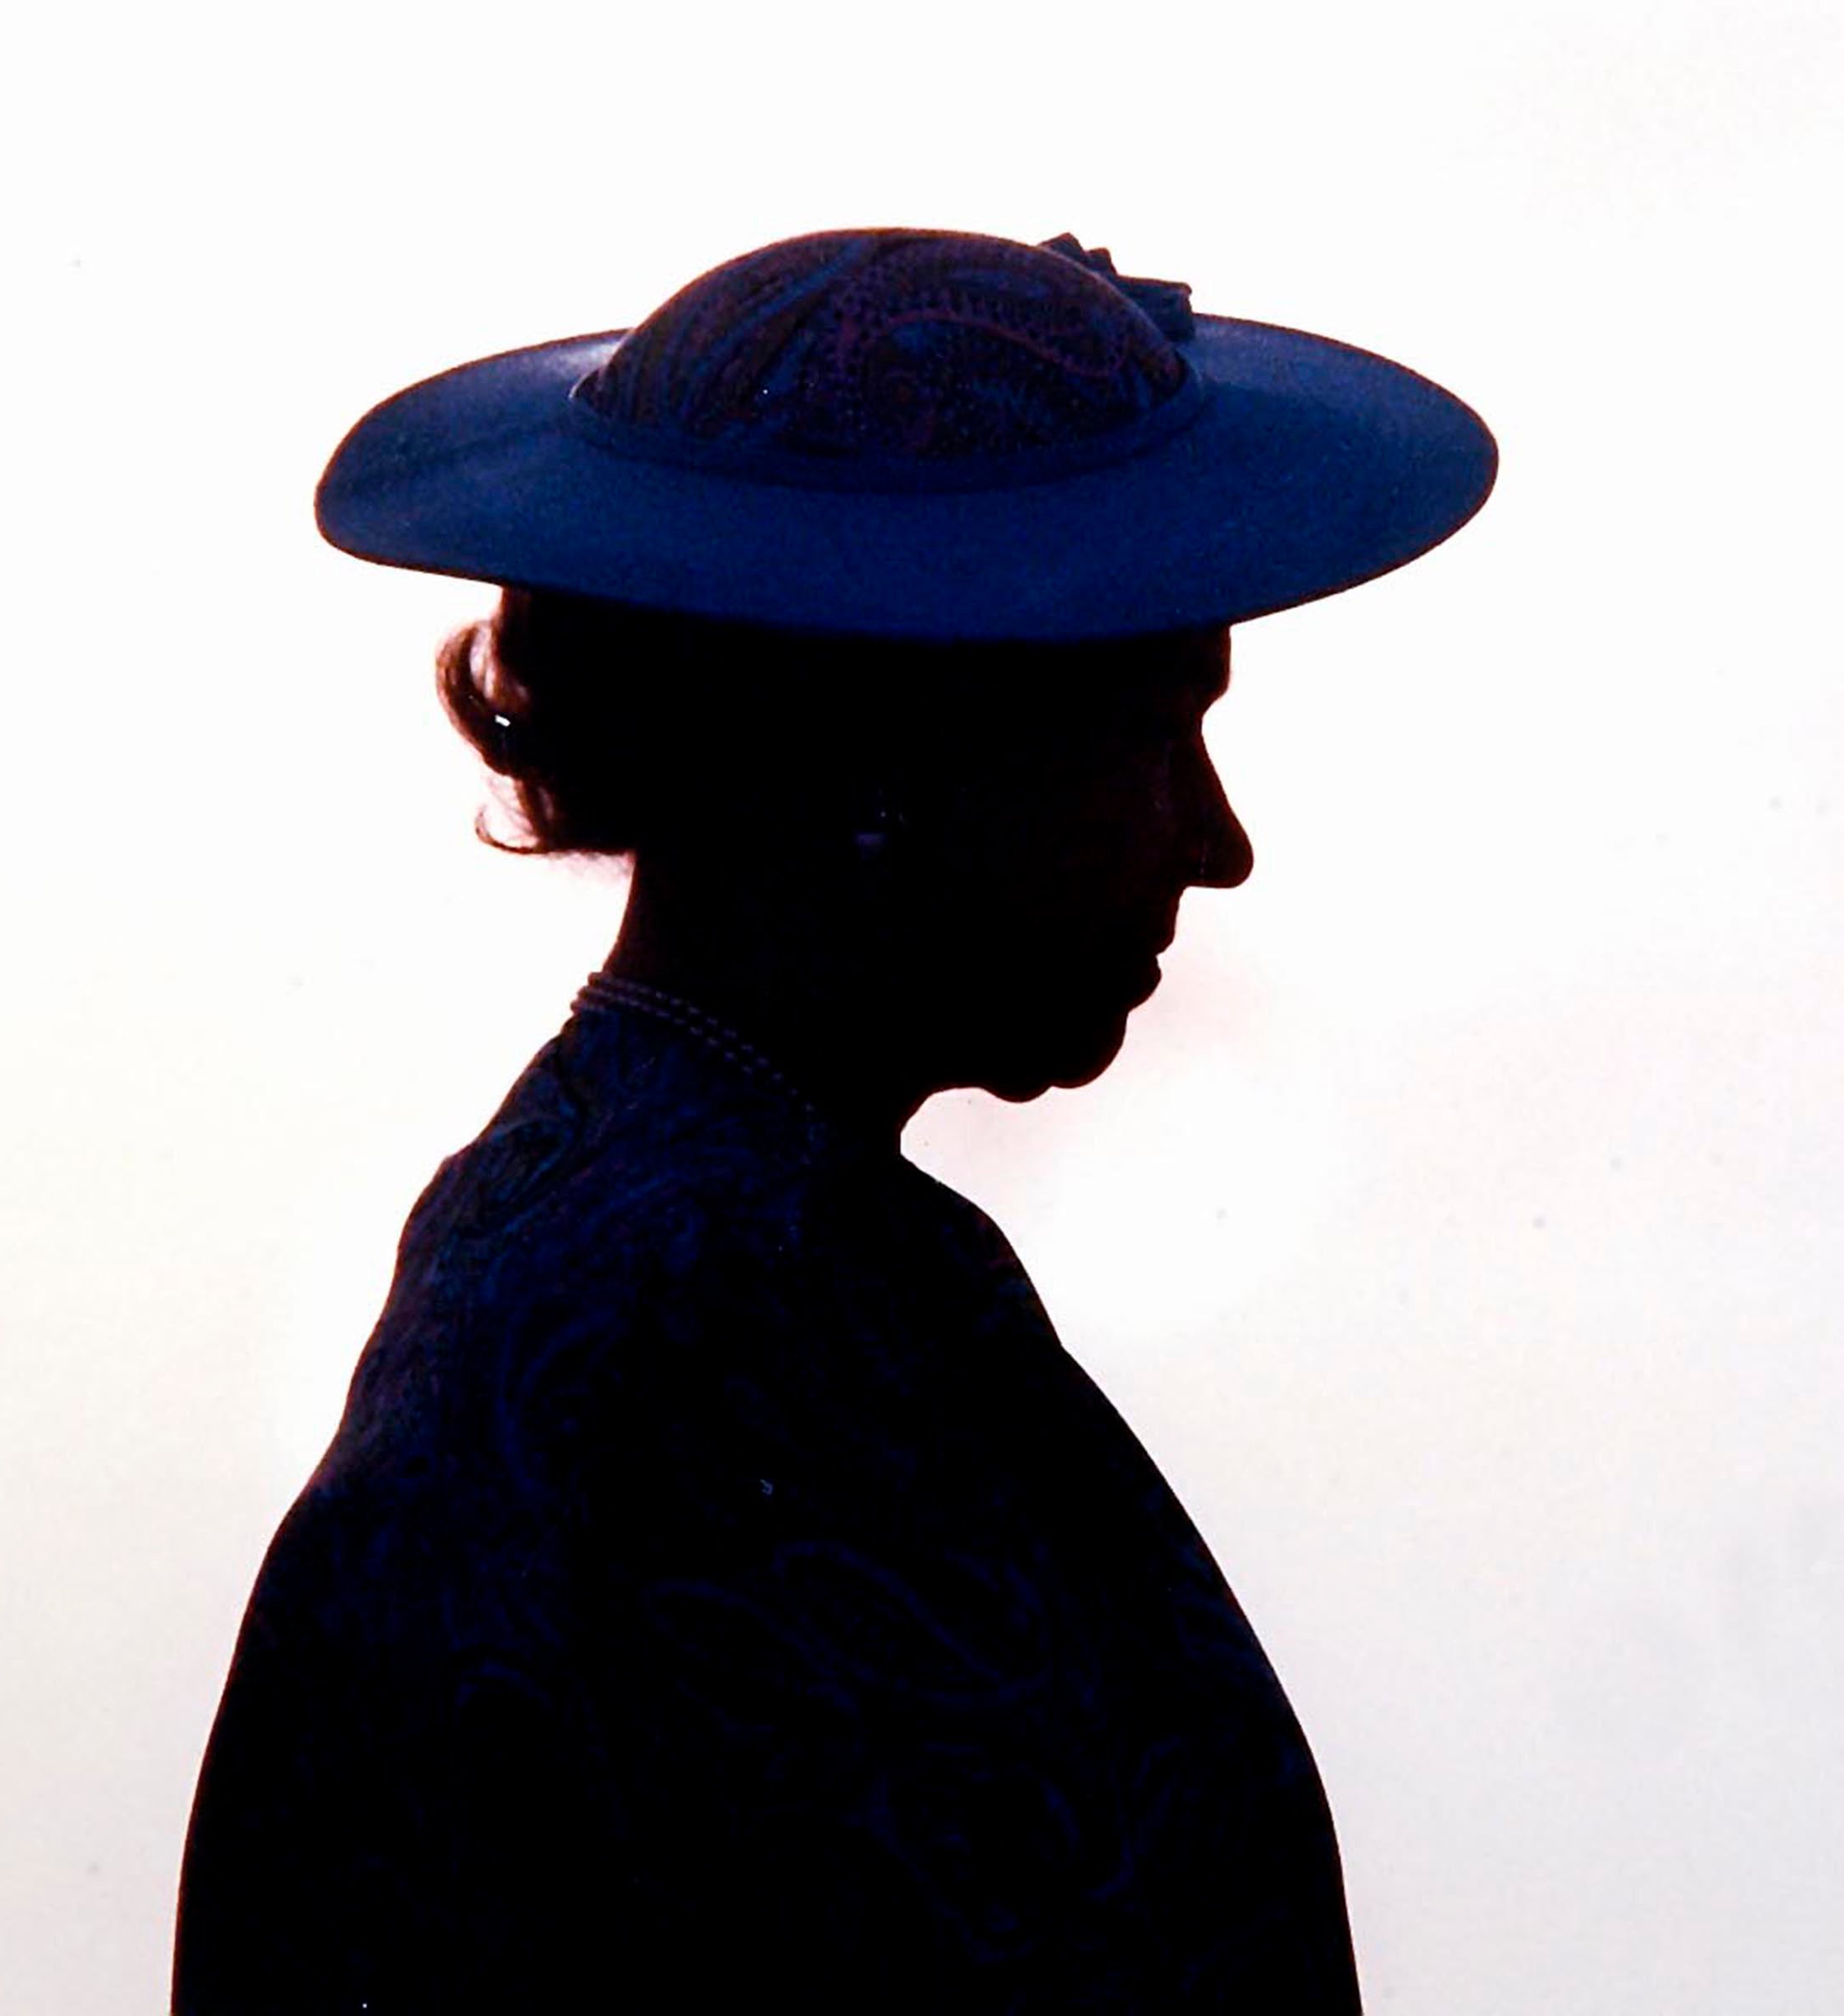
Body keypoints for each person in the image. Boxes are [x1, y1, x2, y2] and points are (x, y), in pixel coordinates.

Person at [174, 227, 1495, 2012]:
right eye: (1150, 736)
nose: (1212, 838)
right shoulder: (707, 1324)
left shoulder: (715, 1250)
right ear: (894, 753)